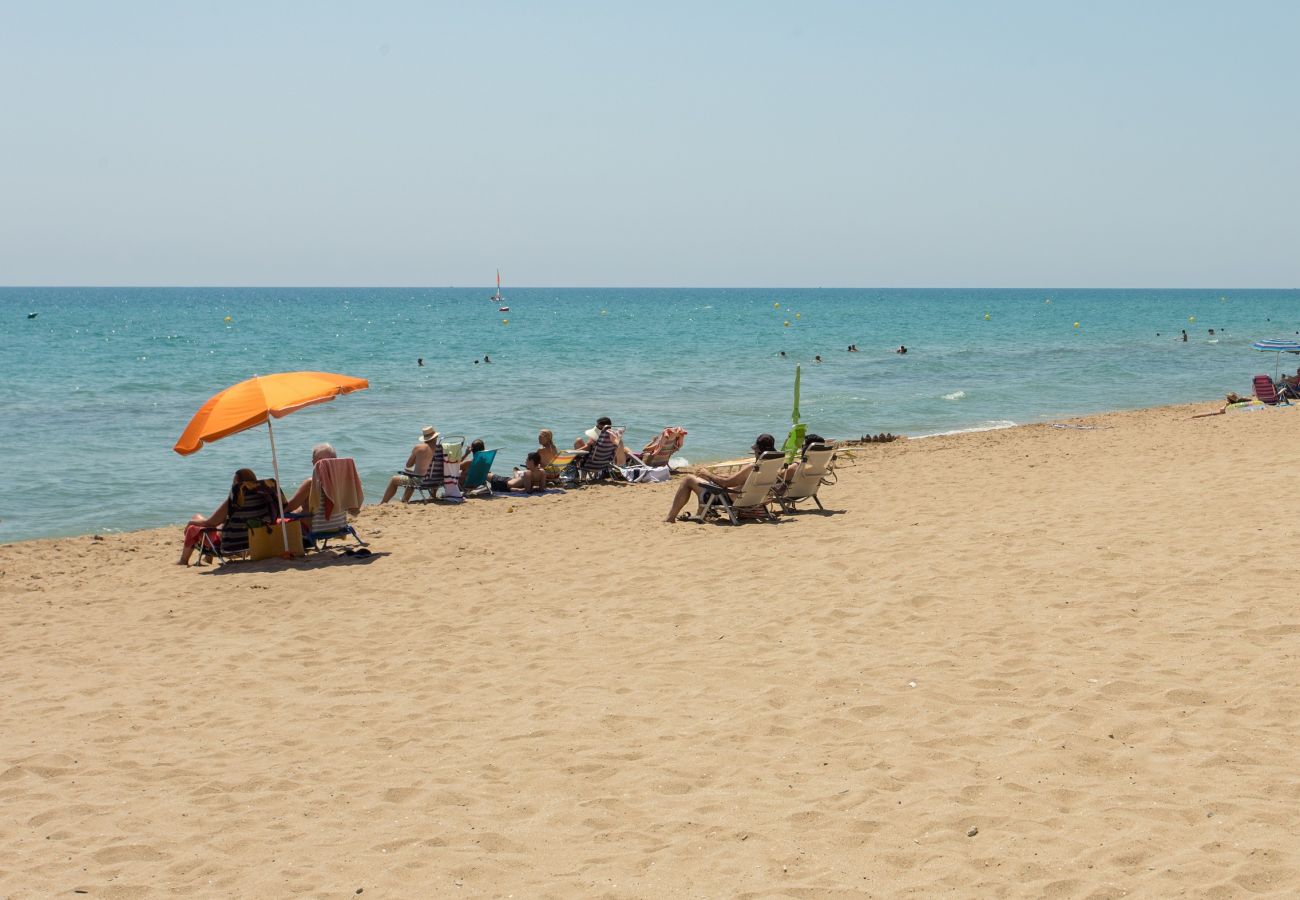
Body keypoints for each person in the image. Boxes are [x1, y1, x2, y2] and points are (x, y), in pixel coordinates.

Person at [665, 434, 776, 523]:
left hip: (728, 498)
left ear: (758, 451)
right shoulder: (772, 466)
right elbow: (736, 480)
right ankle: (702, 514)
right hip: (753, 499)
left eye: (756, 450)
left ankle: (670, 518)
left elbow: (725, 483)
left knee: (688, 479)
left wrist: (707, 473)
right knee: (704, 479)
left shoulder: (753, 467)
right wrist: (713, 476)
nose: (754, 452)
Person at [178, 468, 274, 565]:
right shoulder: (263, 498)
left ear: (237, 483)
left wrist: (190, 522)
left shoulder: (234, 500)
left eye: (234, 481)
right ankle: (207, 559)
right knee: (219, 524)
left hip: (230, 544)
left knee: (195, 524)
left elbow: (210, 523)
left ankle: (183, 561)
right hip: (252, 542)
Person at [380, 426, 440, 503]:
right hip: (437, 480)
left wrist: (418, 457)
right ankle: (431, 495)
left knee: (394, 479)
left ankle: (383, 503)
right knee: (413, 475)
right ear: (436, 436)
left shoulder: (419, 448)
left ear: (425, 438)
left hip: (422, 481)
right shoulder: (441, 448)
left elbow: (409, 465)